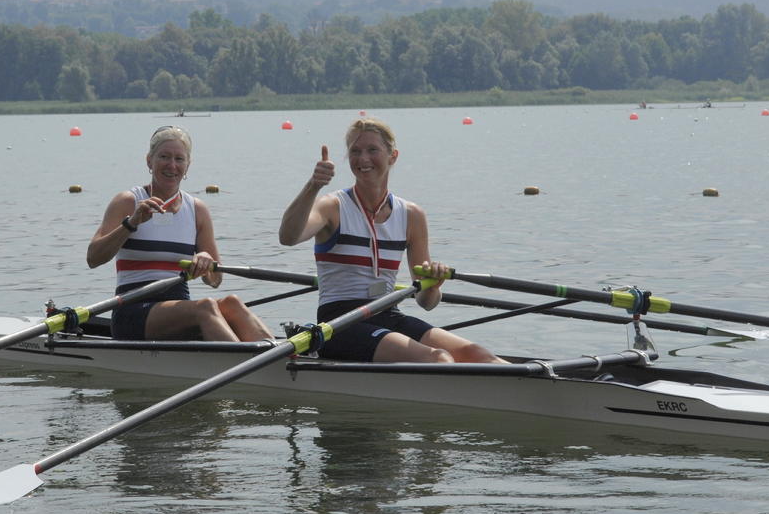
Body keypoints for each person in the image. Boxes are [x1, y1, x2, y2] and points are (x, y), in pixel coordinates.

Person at [278, 117, 506, 364]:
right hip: (339, 324)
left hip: (388, 314)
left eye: (372, 150)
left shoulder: (411, 215)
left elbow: (426, 303)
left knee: (479, 355)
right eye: (355, 151)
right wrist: (313, 186)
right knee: (438, 359)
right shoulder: (332, 206)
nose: (363, 159)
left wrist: (434, 286)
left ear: (392, 156)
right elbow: (288, 237)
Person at [87, 125, 272, 342]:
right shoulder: (128, 201)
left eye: (179, 159)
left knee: (232, 302)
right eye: (164, 157)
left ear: (188, 165)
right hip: (133, 309)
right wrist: (132, 223)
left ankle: (286, 361)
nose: (172, 166)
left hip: (180, 308)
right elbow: (93, 258)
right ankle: (251, 368)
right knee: (206, 307)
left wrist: (206, 262)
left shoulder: (197, 210)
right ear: (149, 161)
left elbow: (216, 280)